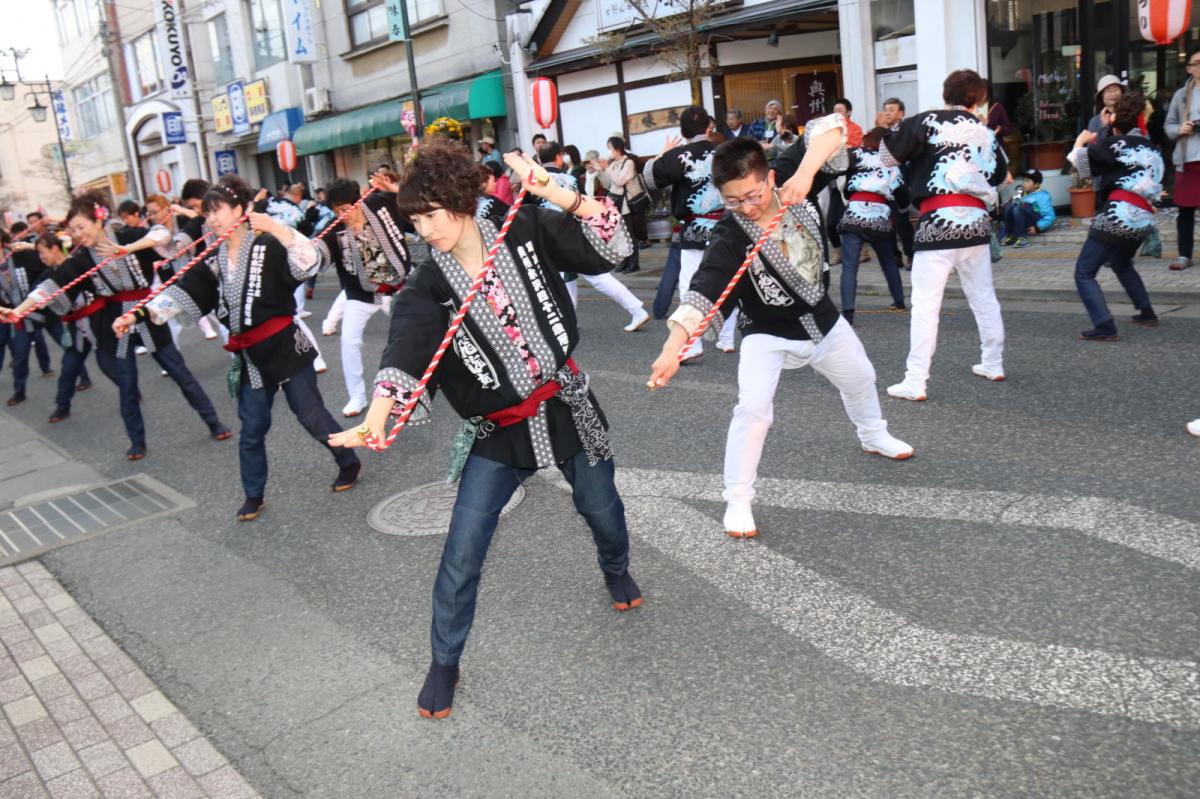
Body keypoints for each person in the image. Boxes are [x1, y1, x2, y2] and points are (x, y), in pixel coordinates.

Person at [328, 140, 643, 720]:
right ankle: (443, 661)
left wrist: (561, 195)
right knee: (463, 548)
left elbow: (612, 246)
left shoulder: (523, 228)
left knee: (602, 507)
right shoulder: (428, 285)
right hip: (495, 428)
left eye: (431, 214)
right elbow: (405, 347)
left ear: (462, 200)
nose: (426, 230)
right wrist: (378, 412)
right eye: (415, 220)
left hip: (565, 401)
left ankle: (616, 567)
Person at [648, 129, 914, 539]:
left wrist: (807, 172)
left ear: (768, 177)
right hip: (766, 332)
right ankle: (738, 498)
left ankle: (873, 433)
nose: (746, 207)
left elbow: (833, 130)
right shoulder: (731, 233)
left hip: (822, 320)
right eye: (733, 200)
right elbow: (704, 288)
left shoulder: (791, 178)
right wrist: (672, 347)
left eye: (752, 195)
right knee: (752, 410)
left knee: (861, 377)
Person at [117, 175, 362, 520]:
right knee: (252, 429)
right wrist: (138, 315)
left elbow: (309, 261)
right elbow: (183, 293)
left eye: (218, 211)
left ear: (240, 210)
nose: (212, 219)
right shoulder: (213, 260)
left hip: (285, 347)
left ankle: (348, 460)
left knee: (311, 415)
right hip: (250, 358)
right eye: (207, 213)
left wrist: (279, 229)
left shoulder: (269, 244)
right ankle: (253, 494)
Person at [0, 191, 231, 460]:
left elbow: (161, 236)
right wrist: (18, 310)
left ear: (98, 221)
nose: (76, 234)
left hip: (145, 311)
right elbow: (51, 285)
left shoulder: (127, 236)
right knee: (127, 382)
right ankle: (137, 441)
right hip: (115, 322)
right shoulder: (82, 258)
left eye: (81, 227)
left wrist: (130, 249)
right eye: (72, 229)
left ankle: (214, 421)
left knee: (179, 371)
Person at [878, 70, 1008, 400]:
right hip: (976, 222)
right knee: (983, 295)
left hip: (939, 219)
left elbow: (888, 157)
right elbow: (1000, 175)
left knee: (926, 303)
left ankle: (916, 380)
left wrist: (886, 130)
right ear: (978, 99)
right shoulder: (984, 131)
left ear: (945, 93)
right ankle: (993, 362)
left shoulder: (925, 121)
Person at [643, 106, 740, 356]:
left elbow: (651, 179)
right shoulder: (726, 152)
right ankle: (727, 338)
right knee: (729, 282)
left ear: (683, 131)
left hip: (695, 228)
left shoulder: (679, 155)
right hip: (726, 225)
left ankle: (692, 344)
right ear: (709, 126)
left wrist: (661, 154)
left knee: (689, 286)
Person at [1066, 92, 1162, 341]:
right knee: (1120, 262)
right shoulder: (1153, 148)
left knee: (1084, 271)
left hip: (1118, 213)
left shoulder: (1114, 144)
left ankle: (1104, 325)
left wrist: (1081, 140)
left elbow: (1084, 167)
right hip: (1144, 217)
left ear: (1116, 120)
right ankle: (1147, 312)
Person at [314, 177, 411, 417]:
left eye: (346, 208)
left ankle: (423, 382)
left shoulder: (382, 204)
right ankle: (357, 396)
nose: (343, 214)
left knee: (415, 336)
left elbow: (416, 208)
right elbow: (317, 253)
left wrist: (396, 190)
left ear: (358, 200)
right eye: (337, 210)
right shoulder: (335, 229)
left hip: (398, 286)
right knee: (349, 342)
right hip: (361, 295)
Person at [540, 141, 650, 332]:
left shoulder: (535, 182)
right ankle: (634, 310)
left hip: (551, 237)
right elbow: (585, 204)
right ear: (558, 157)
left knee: (573, 277)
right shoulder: (569, 179)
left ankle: (570, 322)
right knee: (589, 276)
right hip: (574, 233)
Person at [838, 126, 909, 324]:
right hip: (879, 217)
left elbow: (843, 178)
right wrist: (901, 209)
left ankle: (848, 313)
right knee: (887, 260)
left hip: (855, 214)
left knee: (850, 265)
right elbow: (903, 196)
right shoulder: (891, 164)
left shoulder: (856, 153)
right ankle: (899, 301)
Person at [33, 232, 103, 423]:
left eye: (42, 252)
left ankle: (131, 391)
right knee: (68, 368)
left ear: (54, 248)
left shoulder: (78, 264)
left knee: (111, 364)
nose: (41, 257)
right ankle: (62, 407)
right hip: (75, 326)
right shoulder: (48, 275)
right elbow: (37, 294)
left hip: (97, 321)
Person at [1165, 47, 1200, 271]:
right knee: (1185, 210)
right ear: (1189, 68)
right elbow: (1167, 127)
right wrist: (1181, 128)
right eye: (1196, 62)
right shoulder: (1181, 95)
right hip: (1187, 160)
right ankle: (1184, 255)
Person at [599, 135, 648, 274]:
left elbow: (620, 181)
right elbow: (608, 184)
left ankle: (633, 263)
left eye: (610, 148)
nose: (609, 151)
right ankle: (625, 261)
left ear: (617, 149)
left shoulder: (629, 163)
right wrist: (601, 170)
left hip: (627, 204)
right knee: (620, 235)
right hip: (617, 203)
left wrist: (608, 168)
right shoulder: (613, 163)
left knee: (630, 234)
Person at [999, 168, 1055, 247]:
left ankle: (1022, 239)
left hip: (1035, 223)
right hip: (1023, 221)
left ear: (1037, 185)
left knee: (1017, 208)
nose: (1024, 183)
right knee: (1009, 207)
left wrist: (1038, 227)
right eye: (1023, 180)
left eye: (1028, 181)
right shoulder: (1023, 193)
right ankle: (1011, 236)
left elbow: (1050, 216)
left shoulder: (1042, 196)